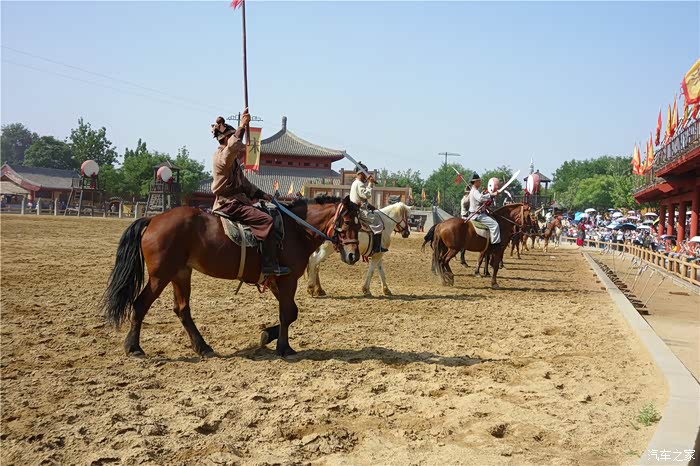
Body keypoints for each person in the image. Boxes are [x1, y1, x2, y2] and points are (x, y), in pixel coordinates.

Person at [211, 111, 289, 277]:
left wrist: (263, 194)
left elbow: (246, 185)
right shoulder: (221, 158)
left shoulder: (233, 161)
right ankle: (269, 265)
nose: (239, 143)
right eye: (234, 138)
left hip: (239, 202)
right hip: (229, 204)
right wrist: (242, 126)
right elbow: (231, 148)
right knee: (266, 220)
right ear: (226, 139)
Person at [350, 163, 386, 253]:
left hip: (358, 208)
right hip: (360, 211)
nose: (366, 176)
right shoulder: (359, 184)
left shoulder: (355, 183)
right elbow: (366, 195)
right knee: (378, 221)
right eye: (365, 173)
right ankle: (377, 247)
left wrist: (369, 206)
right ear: (361, 173)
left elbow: (361, 199)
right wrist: (370, 183)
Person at [468, 172, 500, 246]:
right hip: (478, 215)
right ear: (475, 182)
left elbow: (480, 198)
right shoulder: (475, 191)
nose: (480, 182)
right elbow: (481, 198)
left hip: (475, 214)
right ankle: (495, 245)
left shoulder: (474, 191)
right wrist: (493, 194)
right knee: (495, 225)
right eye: (479, 181)